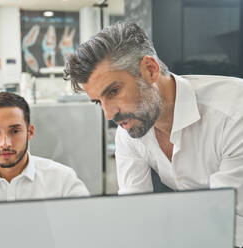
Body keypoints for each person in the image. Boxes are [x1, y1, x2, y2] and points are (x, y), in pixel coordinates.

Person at [64, 21, 243, 247]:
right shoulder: (130, 129)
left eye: (114, 91)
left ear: (150, 70)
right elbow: (135, 211)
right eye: (98, 101)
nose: (109, 115)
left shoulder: (234, 115)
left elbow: (228, 222)